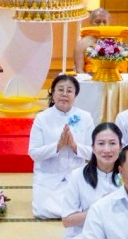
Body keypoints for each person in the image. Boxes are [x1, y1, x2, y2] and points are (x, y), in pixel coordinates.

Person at [33, 124, 126, 239]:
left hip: (122, 238)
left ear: (121, 147)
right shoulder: (78, 176)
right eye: (101, 143)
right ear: (92, 147)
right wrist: (99, 209)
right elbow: (67, 220)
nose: (107, 149)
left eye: (112, 143)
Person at [29, 74, 95, 220]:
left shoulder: (85, 117)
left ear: (75, 95)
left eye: (69, 90)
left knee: (89, 209)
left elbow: (94, 153)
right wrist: (57, 146)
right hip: (48, 177)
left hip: (75, 177)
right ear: (52, 93)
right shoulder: (42, 118)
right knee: (44, 212)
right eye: (60, 90)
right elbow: (34, 153)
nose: (64, 94)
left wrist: (74, 146)